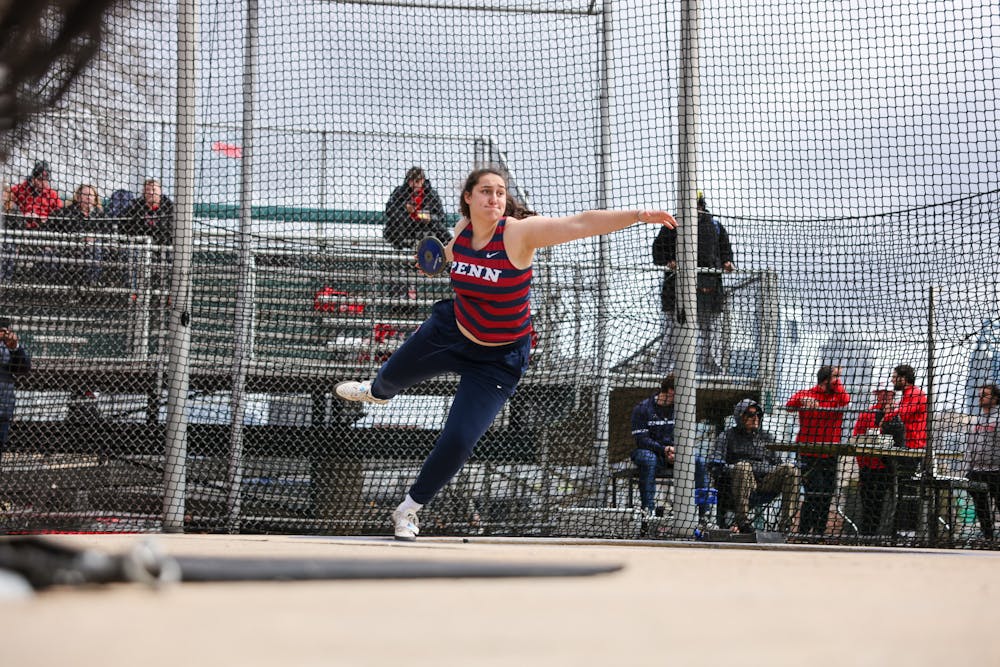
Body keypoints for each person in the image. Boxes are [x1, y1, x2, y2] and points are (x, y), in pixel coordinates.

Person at [336, 166, 677, 540]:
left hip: (498, 360)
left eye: (500, 192)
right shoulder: (462, 231)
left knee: (460, 439)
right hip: (453, 332)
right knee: (389, 377)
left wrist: (637, 216)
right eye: (485, 191)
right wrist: (435, 262)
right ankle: (376, 393)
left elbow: (580, 223)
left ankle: (408, 510)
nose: (494, 198)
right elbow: (447, 257)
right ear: (468, 197)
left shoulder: (518, 233)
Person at [652, 191, 734, 375]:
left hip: (708, 289)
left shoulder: (714, 226)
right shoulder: (672, 225)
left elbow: (725, 251)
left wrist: (727, 262)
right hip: (676, 290)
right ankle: (662, 373)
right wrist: (669, 261)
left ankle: (712, 371)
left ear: (700, 204)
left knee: (710, 334)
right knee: (673, 332)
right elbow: (658, 252)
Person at [710, 398, 801, 534]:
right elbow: (715, 462)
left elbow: (777, 463)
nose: (755, 418)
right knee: (743, 467)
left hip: (764, 484)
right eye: (750, 415)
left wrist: (764, 468)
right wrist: (734, 468)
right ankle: (743, 522)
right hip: (736, 484)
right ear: (740, 417)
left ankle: (785, 525)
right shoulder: (727, 436)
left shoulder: (766, 437)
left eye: (757, 414)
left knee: (790, 470)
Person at [629, 375, 711, 518]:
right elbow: (641, 439)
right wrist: (664, 449)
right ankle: (648, 511)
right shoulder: (642, 409)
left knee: (699, 461)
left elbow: (687, 436)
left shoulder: (682, 410)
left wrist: (678, 452)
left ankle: (704, 514)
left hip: (675, 454)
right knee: (648, 459)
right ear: (671, 390)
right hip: (651, 452)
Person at [785, 365, 851, 535]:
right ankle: (804, 530)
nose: (839, 381)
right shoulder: (807, 393)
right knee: (814, 492)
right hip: (808, 453)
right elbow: (789, 404)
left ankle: (819, 532)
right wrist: (803, 401)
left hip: (830, 453)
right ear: (825, 379)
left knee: (827, 494)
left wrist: (836, 385)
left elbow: (845, 400)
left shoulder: (837, 397)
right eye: (836, 377)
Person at [851, 383, 899, 536]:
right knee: (869, 505)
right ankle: (868, 535)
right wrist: (862, 465)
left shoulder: (898, 413)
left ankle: (888, 534)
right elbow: (857, 439)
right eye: (881, 393)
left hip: (889, 466)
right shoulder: (867, 414)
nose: (884, 396)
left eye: (887, 393)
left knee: (887, 504)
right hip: (870, 467)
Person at [51, 183, 110, 285]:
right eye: (85, 195)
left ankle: (91, 282)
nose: (88, 198)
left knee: (95, 248)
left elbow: (107, 232)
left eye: (91, 195)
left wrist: (95, 237)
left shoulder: (100, 215)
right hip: (71, 246)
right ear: (78, 197)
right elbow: (53, 226)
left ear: (95, 198)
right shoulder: (67, 212)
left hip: (94, 247)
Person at [122, 179, 174, 291]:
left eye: (154, 189)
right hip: (140, 245)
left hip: (163, 245)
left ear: (160, 191)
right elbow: (125, 226)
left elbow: (170, 230)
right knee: (131, 257)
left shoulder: (169, 207)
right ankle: (134, 291)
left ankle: (169, 293)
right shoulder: (135, 206)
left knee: (173, 259)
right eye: (147, 190)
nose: (150, 192)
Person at [384, 166, 450, 250]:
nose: (414, 184)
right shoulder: (400, 192)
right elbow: (389, 210)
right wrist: (405, 208)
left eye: (417, 181)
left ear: (422, 180)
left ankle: (450, 247)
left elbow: (441, 216)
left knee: (439, 226)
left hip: (425, 229)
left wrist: (430, 218)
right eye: (411, 181)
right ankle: (400, 246)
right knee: (400, 218)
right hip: (404, 230)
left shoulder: (432, 194)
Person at [966, 384, 1000, 540]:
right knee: (980, 505)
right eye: (980, 394)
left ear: (995, 398)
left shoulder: (998, 418)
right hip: (977, 470)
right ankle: (988, 537)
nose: (980, 396)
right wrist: (969, 468)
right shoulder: (975, 420)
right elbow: (970, 445)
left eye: (984, 394)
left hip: (996, 470)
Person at [0, 318, 31, 465]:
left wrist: (14, 348)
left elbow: (23, 369)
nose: (4, 334)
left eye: (6, 331)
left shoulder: (8, 347)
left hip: (3, 407)